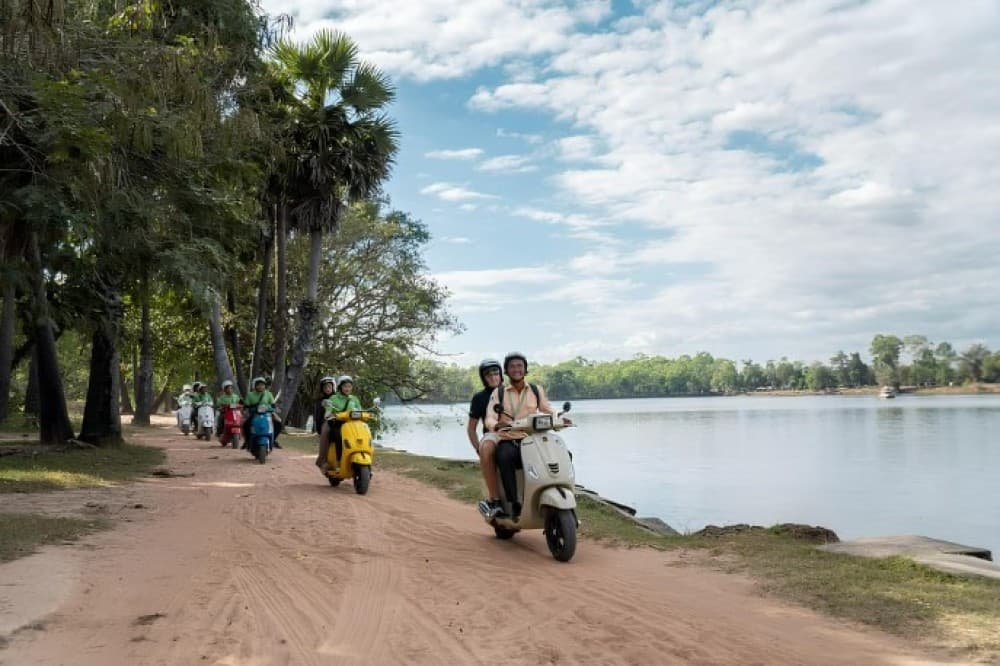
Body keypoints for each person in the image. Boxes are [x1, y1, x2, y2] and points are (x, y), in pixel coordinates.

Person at [483, 352, 571, 518]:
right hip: (510, 439)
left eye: (520, 366)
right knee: (504, 456)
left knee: (565, 454)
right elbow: (490, 417)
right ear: (506, 372)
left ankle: (563, 489)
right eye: (512, 367)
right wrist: (495, 424)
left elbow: (547, 408)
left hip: (532, 439)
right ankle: (513, 502)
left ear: (525, 370)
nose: (516, 369)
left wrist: (559, 415)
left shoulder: (536, 390)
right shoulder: (499, 392)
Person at [467, 359, 505, 516]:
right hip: (492, 435)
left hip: (516, 433)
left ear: (501, 374)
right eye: (488, 374)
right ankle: (495, 499)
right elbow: (471, 429)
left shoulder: (511, 392)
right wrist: (478, 449)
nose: (493, 377)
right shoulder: (480, 398)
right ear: (483, 378)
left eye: (496, 373)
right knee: (487, 449)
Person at [315, 375, 362, 472]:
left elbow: (360, 410)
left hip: (352, 424)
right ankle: (336, 461)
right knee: (337, 435)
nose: (347, 388)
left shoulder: (354, 399)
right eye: (345, 386)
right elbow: (328, 410)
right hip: (337, 423)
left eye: (349, 386)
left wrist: (368, 415)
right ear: (340, 387)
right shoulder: (334, 398)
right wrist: (330, 414)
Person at [243, 376, 282, 449]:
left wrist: (275, 408)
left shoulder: (268, 394)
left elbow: (273, 404)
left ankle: (273, 440)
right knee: (246, 425)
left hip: (267, 414)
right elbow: (246, 406)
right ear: (254, 386)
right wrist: (248, 409)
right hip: (254, 414)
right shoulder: (250, 395)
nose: (261, 386)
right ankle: (247, 441)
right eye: (258, 385)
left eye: (262, 385)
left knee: (278, 424)